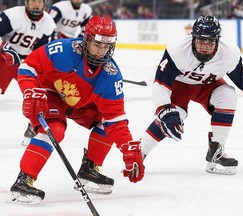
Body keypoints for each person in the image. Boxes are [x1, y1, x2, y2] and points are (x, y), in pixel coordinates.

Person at [9, 15, 145, 205]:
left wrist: (126, 147)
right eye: (97, 45)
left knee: (106, 122)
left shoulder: (110, 76)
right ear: (87, 39)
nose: (102, 52)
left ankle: (89, 168)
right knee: (54, 129)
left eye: (107, 46)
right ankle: (24, 180)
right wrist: (30, 89)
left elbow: (116, 119)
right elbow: (28, 66)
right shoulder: (63, 50)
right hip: (51, 94)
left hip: (79, 105)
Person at [140, 15, 243, 175]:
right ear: (192, 37)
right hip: (180, 85)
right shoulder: (177, 50)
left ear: (218, 40)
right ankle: (140, 152)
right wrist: (163, 109)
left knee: (228, 96)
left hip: (208, 85)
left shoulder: (229, 53)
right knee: (175, 116)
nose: (205, 47)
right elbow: (161, 85)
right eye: (201, 41)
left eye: (210, 42)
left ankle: (216, 150)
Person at [21, 0, 92, 146]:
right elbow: (47, 26)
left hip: (73, 51)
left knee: (67, 90)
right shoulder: (60, 7)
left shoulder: (86, 9)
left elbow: (86, 32)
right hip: (56, 51)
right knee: (48, 88)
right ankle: (35, 123)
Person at [0, 0, 55, 95]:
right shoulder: (12, 15)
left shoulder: (48, 22)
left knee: (39, 91)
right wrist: (5, 47)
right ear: (26, 2)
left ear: (44, 4)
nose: (36, 5)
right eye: (33, 1)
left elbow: (41, 51)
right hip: (5, 56)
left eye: (39, 2)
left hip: (26, 59)